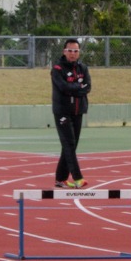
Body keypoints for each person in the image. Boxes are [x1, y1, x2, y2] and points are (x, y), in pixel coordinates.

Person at [51, 38, 91, 188]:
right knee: (69, 143)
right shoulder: (57, 69)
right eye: (70, 51)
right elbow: (63, 87)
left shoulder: (83, 68)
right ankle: (78, 177)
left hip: (78, 111)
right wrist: (77, 86)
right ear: (64, 51)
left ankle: (60, 178)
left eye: (75, 51)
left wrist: (75, 87)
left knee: (70, 146)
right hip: (62, 112)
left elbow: (87, 87)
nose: (73, 54)